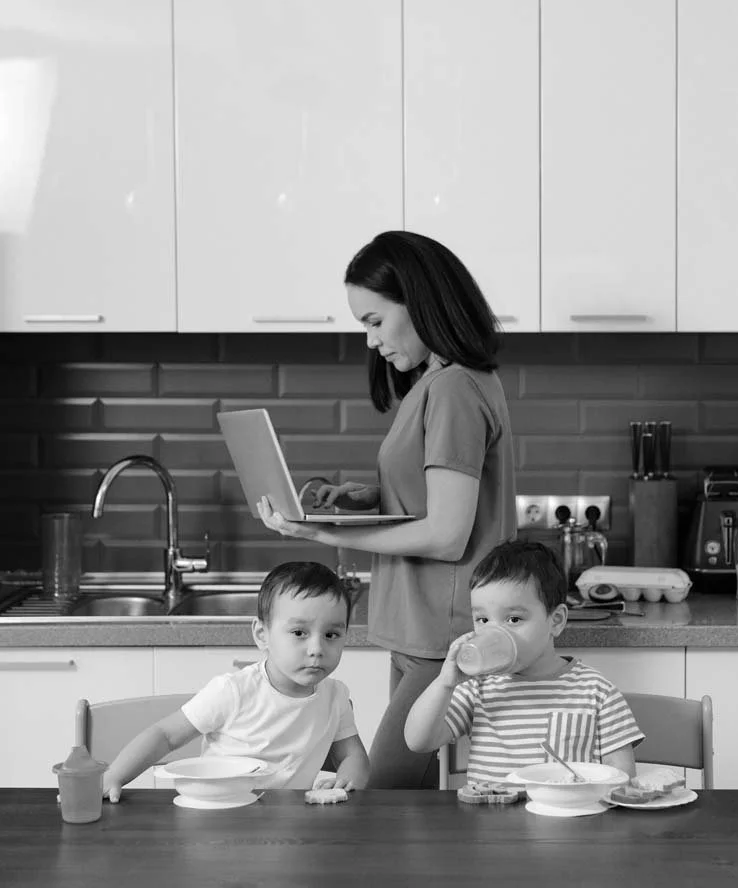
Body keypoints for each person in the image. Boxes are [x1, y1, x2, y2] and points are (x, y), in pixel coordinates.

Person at [257, 230, 516, 788]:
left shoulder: (452, 389)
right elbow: (435, 496)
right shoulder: (438, 382)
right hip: (416, 626)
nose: (371, 341)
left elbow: (448, 533)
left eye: (375, 321)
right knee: (414, 819)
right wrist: (365, 499)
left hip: (441, 635)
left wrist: (328, 536)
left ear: (418, 300)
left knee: (383, 799)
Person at [102, 561, 369, 801]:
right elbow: (165, 736)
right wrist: (115, 777)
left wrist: (345, 781)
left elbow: (352, 756)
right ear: (262, 635)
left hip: (288, 825)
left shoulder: (335, 696)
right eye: (299, 632)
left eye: (331, 635)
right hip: (220, 813)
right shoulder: (233, 691)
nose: (316, 648)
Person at [404, 540, 643, 782]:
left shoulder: (596, 691)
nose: (494, 633)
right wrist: (445, 684)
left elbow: (622, 777)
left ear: (556, 620)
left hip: (567, 817)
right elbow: (418, 741)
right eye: (483, 620)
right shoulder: (478, 688)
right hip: (490, 818)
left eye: (514, 619)